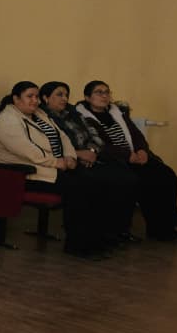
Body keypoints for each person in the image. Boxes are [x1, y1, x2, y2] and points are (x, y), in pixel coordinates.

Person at [0, 81, 110, 258]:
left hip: (54, 166)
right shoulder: (7, 121)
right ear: (16, 99)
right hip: (25, 173)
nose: (35, 101)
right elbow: (30, 152)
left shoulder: (38, 113)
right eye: (29, 96)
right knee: (79, 188)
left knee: (95, 181)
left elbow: (63, 136)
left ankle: (95, 240)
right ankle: (78, 245)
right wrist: (57, 162)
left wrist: (70, 156)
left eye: (36, 96)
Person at [77, 80, 177, 241]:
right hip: (112, 159)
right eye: (99, 92)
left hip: (133, 156)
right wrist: (127, 155)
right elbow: (100, 145)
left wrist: (142, 150)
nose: (105, 96)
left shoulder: (117, 112)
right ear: (87, 97)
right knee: (135, 180)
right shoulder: (83, 117)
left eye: (107, 92)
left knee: (165, 175)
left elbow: (136, 134)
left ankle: (162, 227)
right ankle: (120, 230)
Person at [40, 82, 141, 245]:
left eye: (66, 95)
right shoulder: (43, 117)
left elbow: (95, 137)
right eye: (59, 95)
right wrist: (79, 155)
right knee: (97, 181)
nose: (64, 98)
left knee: (127, 177)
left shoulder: (73, 113)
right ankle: (94, 236)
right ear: (45, 98)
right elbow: (52, 147)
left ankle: (118, 230)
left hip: (90, 156)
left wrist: (92, 151)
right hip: (69, 161)